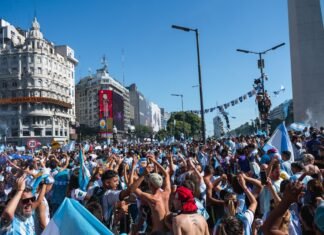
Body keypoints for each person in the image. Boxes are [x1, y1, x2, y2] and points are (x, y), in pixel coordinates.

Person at [134, 154, 171, 234]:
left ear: (150, 185)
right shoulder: (166, 193)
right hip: (168, 231)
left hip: (157, 231)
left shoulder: (152, 198)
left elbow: (133, 189)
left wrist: (142, 174)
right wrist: (155, 162)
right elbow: (166, 175)